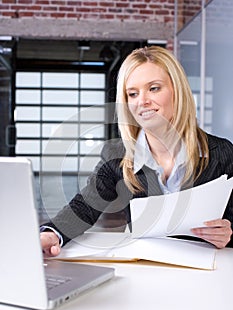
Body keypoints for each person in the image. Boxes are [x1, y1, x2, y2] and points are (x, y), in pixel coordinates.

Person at [41, 45, 233, 257]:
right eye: (132, 93)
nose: (142, 101)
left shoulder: (221, 153)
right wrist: (52, 233)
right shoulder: (117, 155)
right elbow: (84, 206)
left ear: (177, 91)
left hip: (207, 271)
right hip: (146, 267)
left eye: (154, 88)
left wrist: (229, 233)